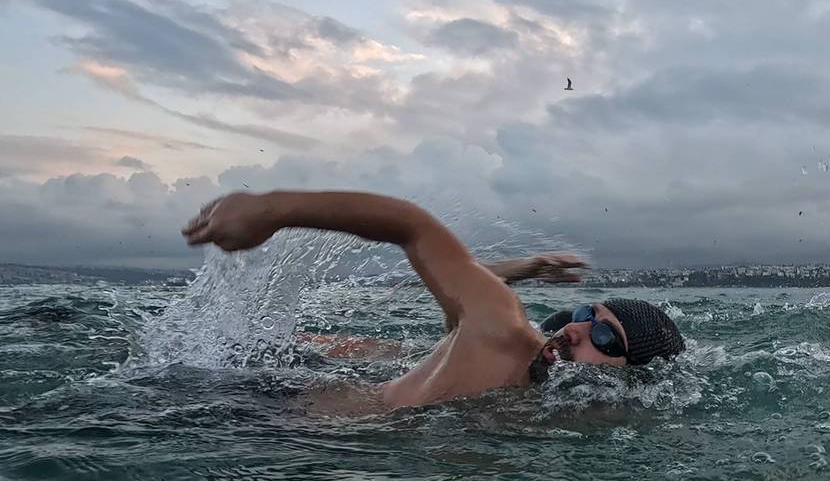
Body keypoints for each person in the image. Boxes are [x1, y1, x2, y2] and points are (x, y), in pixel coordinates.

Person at [182, 190, 685, 409]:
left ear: (633, 375)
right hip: (240, 413)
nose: (574, 329)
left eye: (602, 335)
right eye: (583, 315)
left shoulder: (582, 413)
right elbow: (414, 228)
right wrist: (272, 209)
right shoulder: (506, 338)